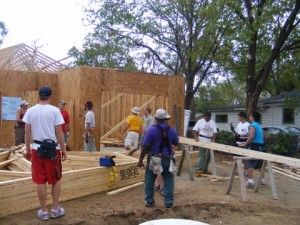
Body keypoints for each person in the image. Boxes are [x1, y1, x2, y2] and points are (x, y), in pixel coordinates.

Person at [23, 86, 67, 221]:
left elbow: (27, 132)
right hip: (53, 150)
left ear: (39, 96)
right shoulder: (55, 111)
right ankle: (54, 209)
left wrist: (28, 149)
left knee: (40, 180)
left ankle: (43, 211)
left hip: (37, 149)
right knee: (56, 179)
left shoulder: (30, 111)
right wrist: (64, 150)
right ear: (50, 96)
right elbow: (59, 132)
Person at [138, 109, 179, 208]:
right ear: (166, 119)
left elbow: (145, 146)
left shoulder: (151, 130)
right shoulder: (171, 129)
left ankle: (149, 201)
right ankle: (168, 201)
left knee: (149, 178)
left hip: (155, 158)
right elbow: (176, 143)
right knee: (168, 178)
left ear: (156, 118)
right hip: (167, 158)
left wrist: (140, 160)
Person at [238, 112, 266, 187]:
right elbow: (249, 134)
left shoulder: (252, 125)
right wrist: (239, 135)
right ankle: (262, 179)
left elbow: (251, 136)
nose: (249, 117)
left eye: (250, 116)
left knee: (249, 163)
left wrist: (245, 144)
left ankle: (250, 181)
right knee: (260, 163)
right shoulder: (258, 125)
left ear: (252, 117)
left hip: (254, 146)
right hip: (261, 146)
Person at [192, 111, 217, 176]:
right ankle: (198, 169)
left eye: (208, 117)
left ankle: (205, 169)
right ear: (204, 116)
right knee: (202, 155)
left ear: (210, 117)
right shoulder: (200, 121)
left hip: (209, 140)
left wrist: (213, 140)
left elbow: (215, 132)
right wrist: (196, 138)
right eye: (206, 117)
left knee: (208, 156)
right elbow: (194, 130)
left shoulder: (212, 122)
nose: (207, 118)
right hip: (202, 139)